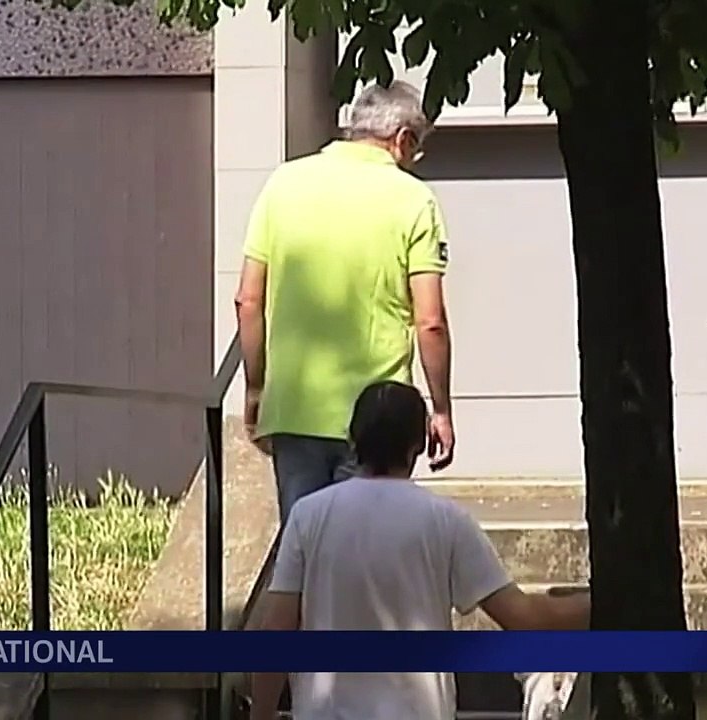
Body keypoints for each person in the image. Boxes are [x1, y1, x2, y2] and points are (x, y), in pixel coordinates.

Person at [248, 381, 591, 720]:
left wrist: (260, 714)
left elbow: (276, 631)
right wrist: (606, 600)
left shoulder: (307, 517)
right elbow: (526, 619)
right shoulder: (447, 521)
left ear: (352, 438)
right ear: (420, 444)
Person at [235, 80, 456, 524]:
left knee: (304, 545)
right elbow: (429, 320)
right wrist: (441, 409)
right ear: (403, 139)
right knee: (368, 548)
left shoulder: (284, 183)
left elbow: (248, 299)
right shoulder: (414, 199)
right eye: (416, 149)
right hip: (378, 418)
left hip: (294, 407)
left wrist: (257, 387)